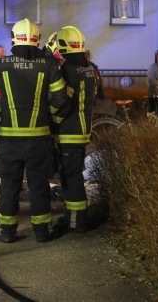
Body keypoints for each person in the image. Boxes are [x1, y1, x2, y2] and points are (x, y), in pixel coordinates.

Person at [0, 18, 69, 244]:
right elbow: (60, 97)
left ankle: (6, 231)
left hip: (10, 138)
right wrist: (47, 115)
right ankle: (42, 231)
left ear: (14, 39)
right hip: (39, 138)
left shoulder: (0, 65)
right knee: (39, 184)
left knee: (9, 185)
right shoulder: (48, 65)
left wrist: (1, 111)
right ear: (36, 40)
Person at [54, 26, 97, 233]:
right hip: (82, 129)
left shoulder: (68, 69)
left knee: (71, 177)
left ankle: (77, 222)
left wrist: (52, 116)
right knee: (72, 175)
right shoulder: (88, 67)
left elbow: (63, 101)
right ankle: (72, 216)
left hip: (69, 130)